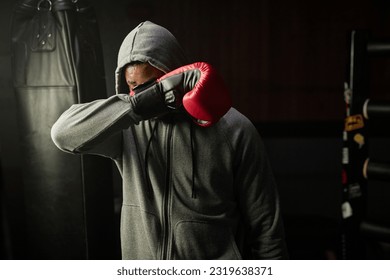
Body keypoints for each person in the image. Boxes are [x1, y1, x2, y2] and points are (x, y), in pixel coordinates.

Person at [51, 21, 288, 260]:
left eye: (154, 85)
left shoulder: (234, 129)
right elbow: (62, 134)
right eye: (134, 87)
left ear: (175, 74)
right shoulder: (126, 127)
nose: (144, 94)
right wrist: (139, 105)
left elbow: (266, 226)